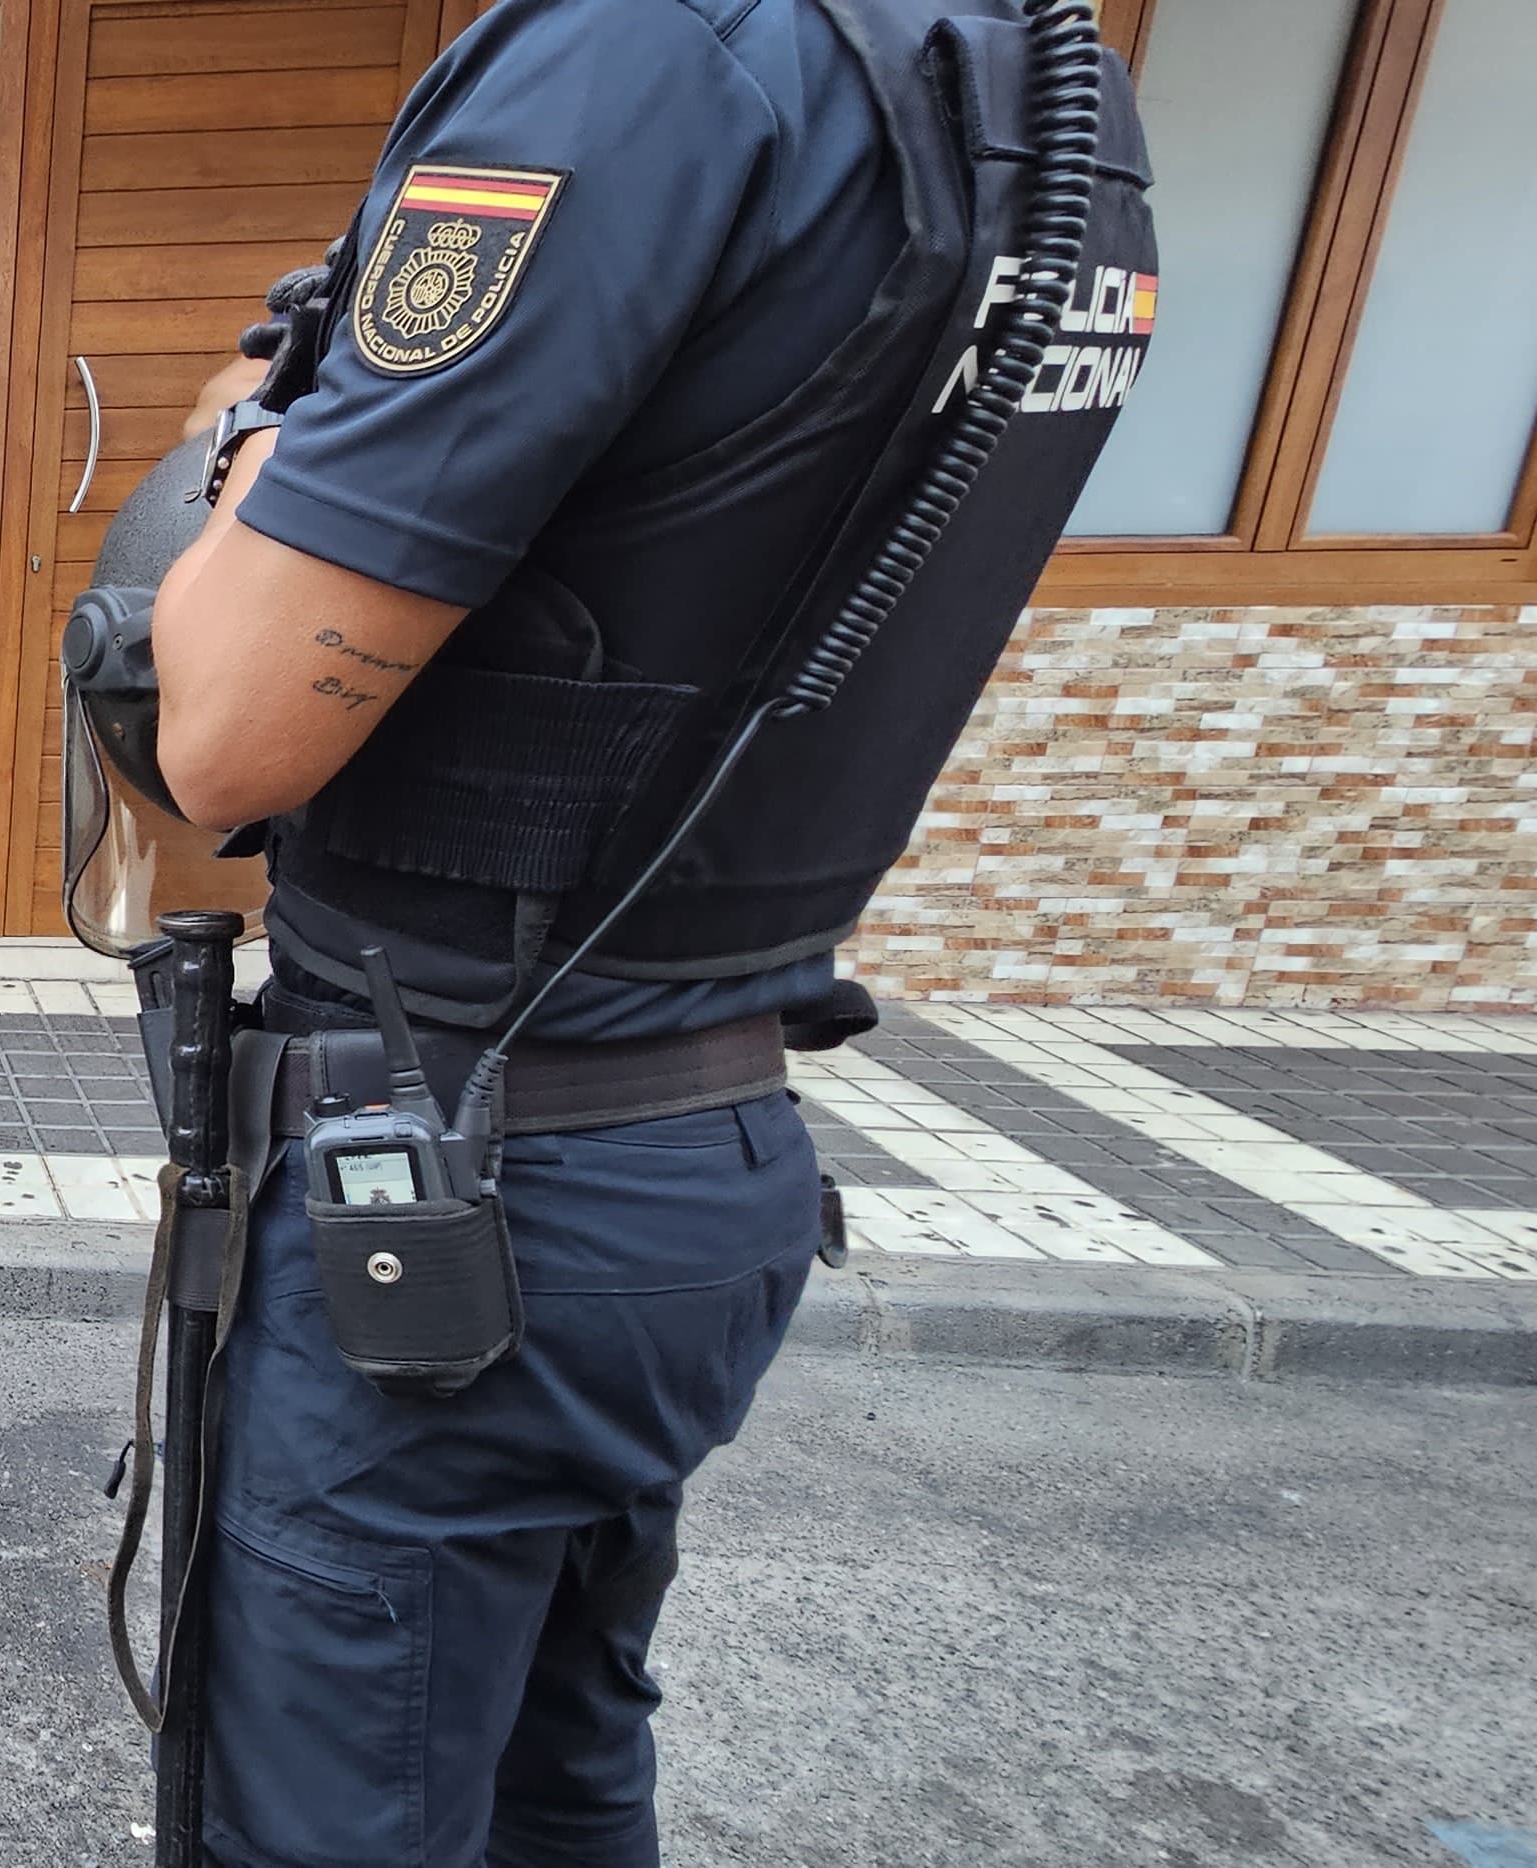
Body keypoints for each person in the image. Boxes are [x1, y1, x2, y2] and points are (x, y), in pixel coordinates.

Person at [137, 1, 1149, 1861]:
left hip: (463, 1174)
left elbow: (217, 736)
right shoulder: (1044, 109)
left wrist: (255, 435)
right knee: (553, 1775)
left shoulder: (649, 62)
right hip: (696, 1146)